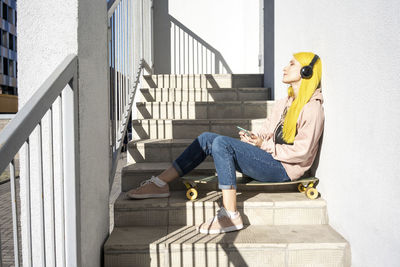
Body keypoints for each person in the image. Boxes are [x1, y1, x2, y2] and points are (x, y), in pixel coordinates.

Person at [127, 52, 325, 235]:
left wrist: (264, 146)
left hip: (284, 169)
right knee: (206, 138)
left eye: (291, 64)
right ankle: (161, 183)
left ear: (306, 72)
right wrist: (254, 138)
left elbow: (302, 152)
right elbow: (266, 131)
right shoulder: (285, 103)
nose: (284, 68)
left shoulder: (312, 109)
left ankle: (231, 214)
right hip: (269, 157)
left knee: (221, 143)